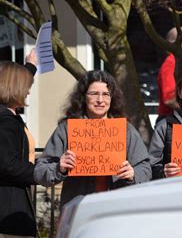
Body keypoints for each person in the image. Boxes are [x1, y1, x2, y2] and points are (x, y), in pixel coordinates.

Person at [34, 70, 151, 207]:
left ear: (112, 98)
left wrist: (133, 174)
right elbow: (40, 172)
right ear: (84, 97)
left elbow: (146, 169)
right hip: (78, 209)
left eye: (106, 94)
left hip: (116, 208)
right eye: (94, 94)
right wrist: (59, 168)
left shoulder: (126, 130)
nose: (100, 100)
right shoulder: (67, 130)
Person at [0, 51, 37, 238]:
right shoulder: (5, 120)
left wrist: (30, 67)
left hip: (7, 205)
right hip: (9, 208)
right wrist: (42, 172)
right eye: (25, 86)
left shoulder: (7, 116)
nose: (29, 91)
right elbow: (7, 164)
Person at [157, 27, 182, 117]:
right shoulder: (171, 66)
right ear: (177, 43)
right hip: (172, 121)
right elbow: (169, 99)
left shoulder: (180, 65)